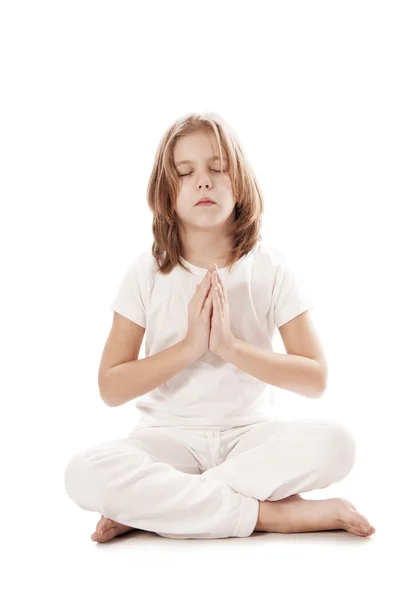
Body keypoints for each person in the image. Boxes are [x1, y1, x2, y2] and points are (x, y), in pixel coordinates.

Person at [64, 111, 375, 542]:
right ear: (166, 191)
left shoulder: (270, 266)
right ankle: (272, 516)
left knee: (338, 445)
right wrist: (191, 347)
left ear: (240, 183)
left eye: (217, 168)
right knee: (82, 474)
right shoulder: (145, 273)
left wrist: (228, 346)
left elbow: (315, 379)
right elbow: (111, 387)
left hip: (251, 438)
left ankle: (159, 509)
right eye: (186, 172)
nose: (204, 182)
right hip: (166, 439)